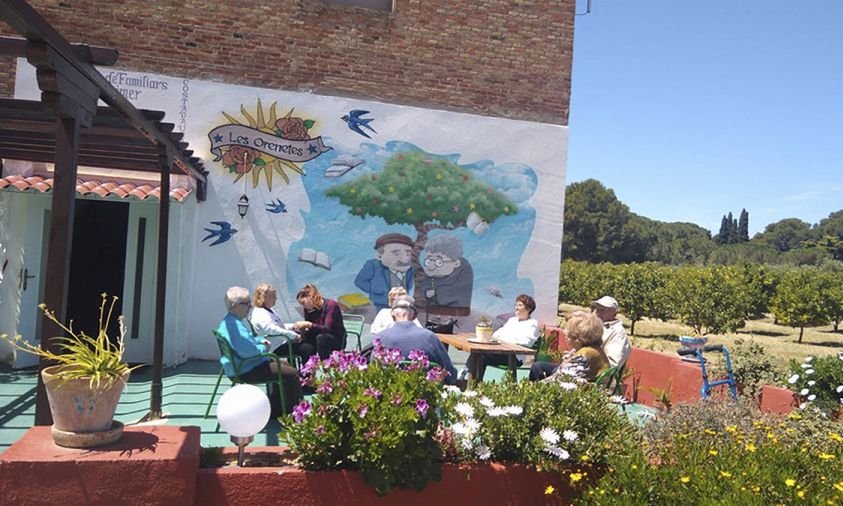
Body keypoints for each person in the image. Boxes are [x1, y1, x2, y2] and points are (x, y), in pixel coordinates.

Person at [216, 286, 302, 416]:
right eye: (246, 303)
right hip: (246, 369)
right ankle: (294, 413)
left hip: (242, 365)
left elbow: (248, 341)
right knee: (292, 374)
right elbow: (250, 352)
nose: (250, 306)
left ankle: (276, 407)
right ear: (235, 305)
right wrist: (264, 347)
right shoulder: (235, 328)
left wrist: (260, 340)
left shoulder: (231, 322)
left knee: (284, 366)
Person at [374, 295, 457, 385]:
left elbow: (373, 370)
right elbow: (450, 374)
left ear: (392, 314)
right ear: (415, 316)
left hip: (388, 394)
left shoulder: (380, 338)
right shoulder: (429, 337)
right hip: (424, 394)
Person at [466, 294, 540, 381]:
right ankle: (470, 377)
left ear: (528, 309)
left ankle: (474, 382)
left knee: (482, 355)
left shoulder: (532, 324)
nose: (516, 307)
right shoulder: (512, 320)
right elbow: (497, 334)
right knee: (478, 353)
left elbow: (526, 342)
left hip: (514, 357)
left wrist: (506, 339)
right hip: (501, 352)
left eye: (520, 305)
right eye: (516, 305)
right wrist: (506, 339)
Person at [529, 310, 609, 383]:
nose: (565, 332)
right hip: (585, 383)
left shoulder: (584, 355)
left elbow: (562, 378)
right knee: (538, 366)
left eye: (569, 330)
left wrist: (533, 387)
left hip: (582, 390)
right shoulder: (593, 348)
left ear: (578, 336)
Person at [354, 233, 415, 310]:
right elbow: (359, 281)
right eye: (396, 253)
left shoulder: (410, 268)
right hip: (382, 303)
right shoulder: (373, 265)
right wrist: (379, 291)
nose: (405, 258)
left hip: (402, 303)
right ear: (379, 256)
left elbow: (409, 283)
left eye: (408, 253)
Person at [418, 234, 473, 314]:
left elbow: (456, 292)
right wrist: (425, 292)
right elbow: (424, 286)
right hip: (432, 311)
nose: (431, 266)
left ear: (456, 263)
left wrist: (436, 292)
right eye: (429, 260)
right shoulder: (432, 277)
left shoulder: (463, 274)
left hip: (456, 312)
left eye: (439, 262)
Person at [249, 283, 304, 361]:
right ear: (263, 298)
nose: (276, 298)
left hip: (282, 342)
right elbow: (272, 329)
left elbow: (278, 325)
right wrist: (293, 335)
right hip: (275, 347)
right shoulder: (260, 314)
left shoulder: (268, 310)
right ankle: (307, 372)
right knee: (307, 348)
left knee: (307, 339)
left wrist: (294, 326)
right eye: (273, 296)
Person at [293, 283, 347, 360]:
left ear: (310, 297)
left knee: (321, 338)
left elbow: (327, 329)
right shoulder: (308, 310)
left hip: (336, 338)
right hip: (318, 337)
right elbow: (312, 329)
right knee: (305, 346)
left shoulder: (330, 305)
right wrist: (302, 331)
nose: (303, 306)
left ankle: (325, 365)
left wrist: (309, 325)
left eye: (303, 303)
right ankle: (308, 370)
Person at [591, 295, 632, 368]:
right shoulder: (596, 326)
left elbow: (613, 363)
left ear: (613, 312)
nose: (598, 313)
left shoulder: (618, 332)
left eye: (602, 310)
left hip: (599, 373)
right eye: (597, 310)